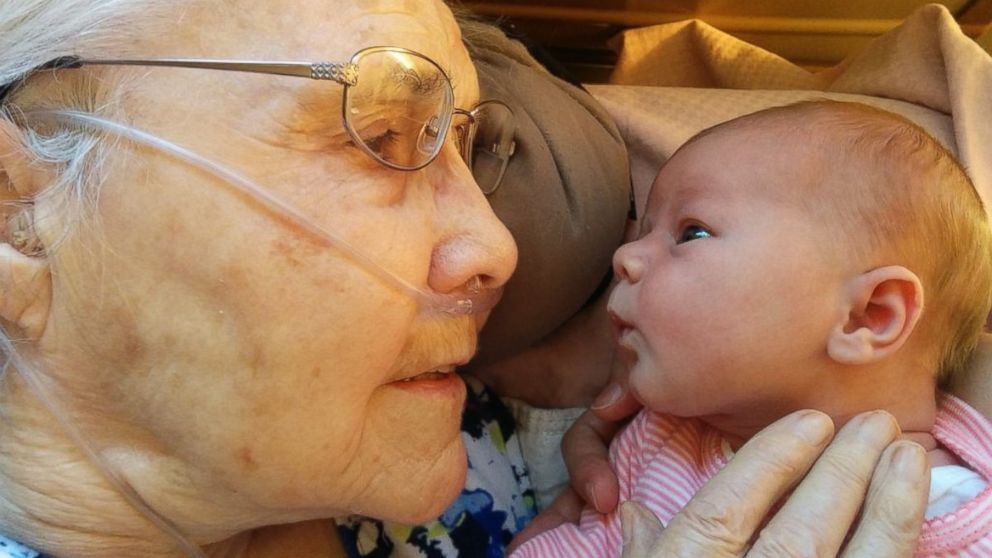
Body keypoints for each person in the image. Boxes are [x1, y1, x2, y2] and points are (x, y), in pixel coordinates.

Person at [0, 2, 940, 557]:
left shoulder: (502, 430)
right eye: (379, 130)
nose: (500, 244)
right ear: (16, 210)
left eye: (469, 144)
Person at [512, 100, 992, 557]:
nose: (625, 257)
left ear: (868, 316)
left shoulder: (959, 521)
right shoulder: (663, 434)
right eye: (644, 231)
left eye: (691, 232)